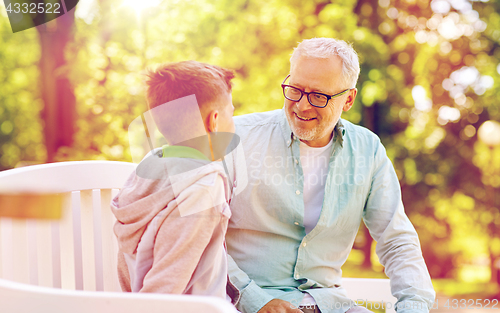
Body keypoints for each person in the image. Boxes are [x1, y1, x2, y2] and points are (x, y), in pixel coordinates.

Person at [226, 38, 436, 313]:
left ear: (348, 99)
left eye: (318, 96)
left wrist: (414, 308)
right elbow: (202, 237)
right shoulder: (237, 138)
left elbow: (396, 239)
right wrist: (254, 300)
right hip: (244, 304)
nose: (301, 106)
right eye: (295, 90)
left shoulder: (368, 150)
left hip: (330, 305)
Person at [111, 61, 239, 302]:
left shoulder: (149, 167)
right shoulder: (204, 187)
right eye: (231, 114)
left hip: (136, 303)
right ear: (214, 122)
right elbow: (164, 290)